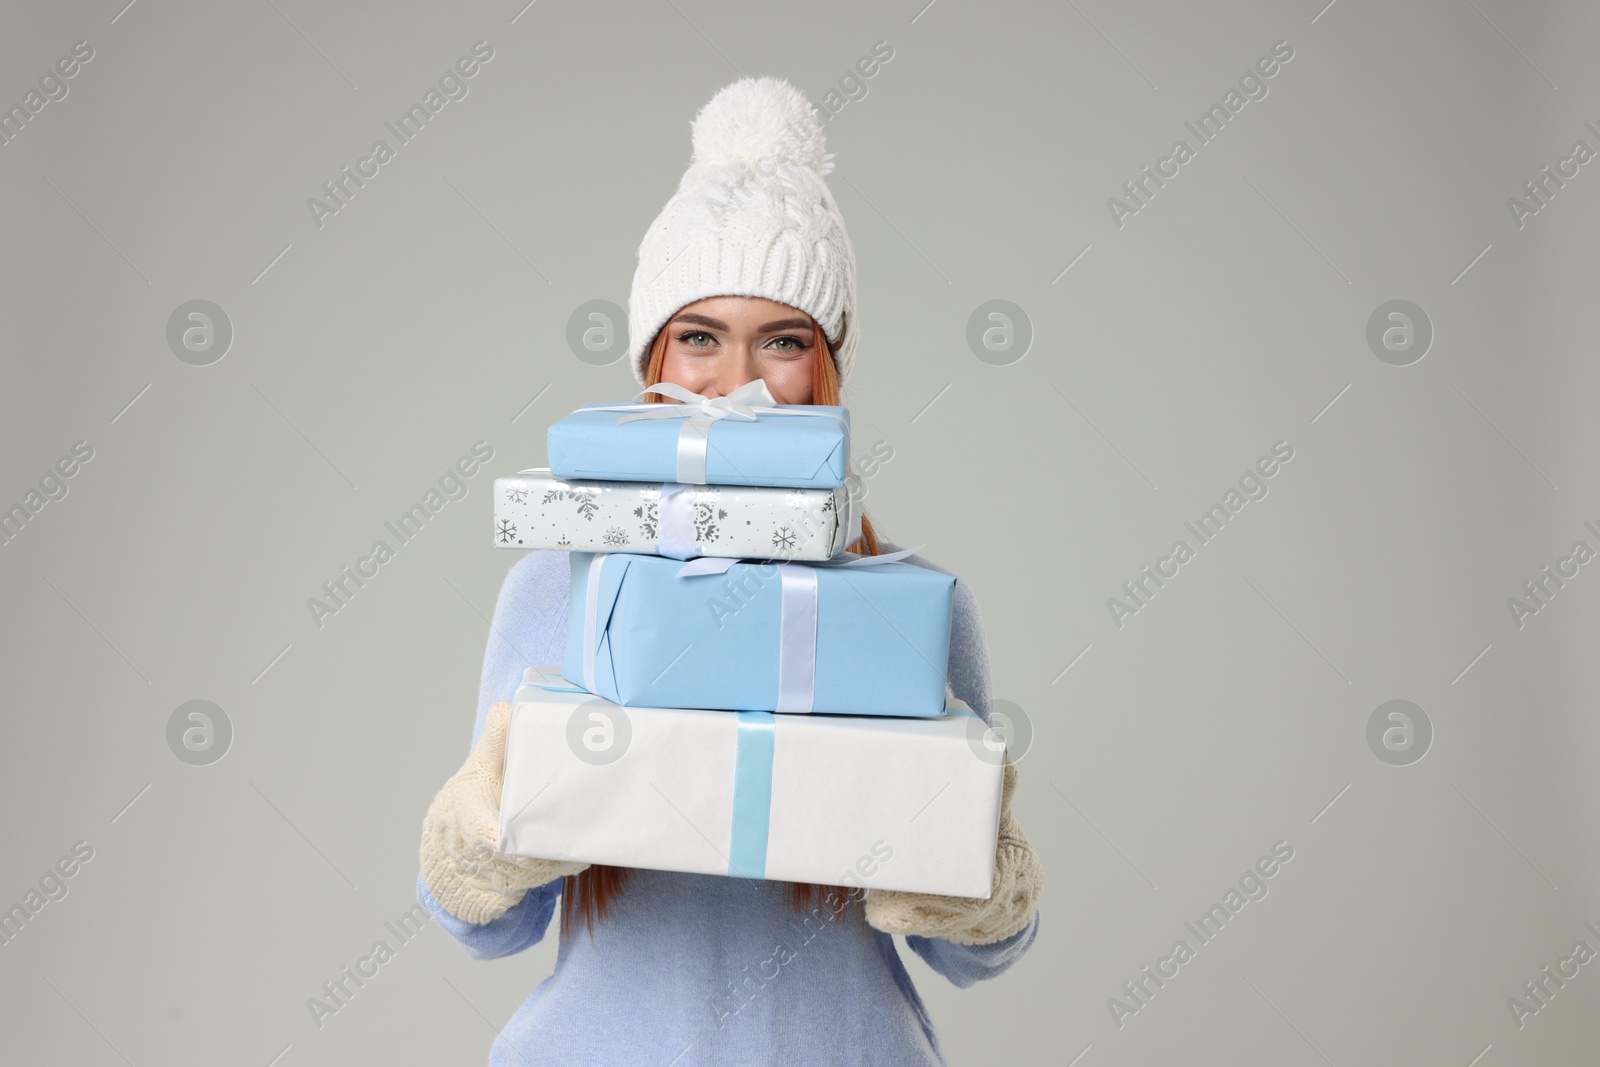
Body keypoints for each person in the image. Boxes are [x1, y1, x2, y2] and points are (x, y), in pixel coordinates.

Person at [416, 76, 1044, 1066]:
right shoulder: (555, 589)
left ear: (825, 367)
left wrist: (978, 864)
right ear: (653, 356)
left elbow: (971, 956)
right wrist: (482, 828)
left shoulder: (918, 605)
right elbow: (486, 926)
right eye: (699, 336)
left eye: (783, 340)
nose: (738, 381)